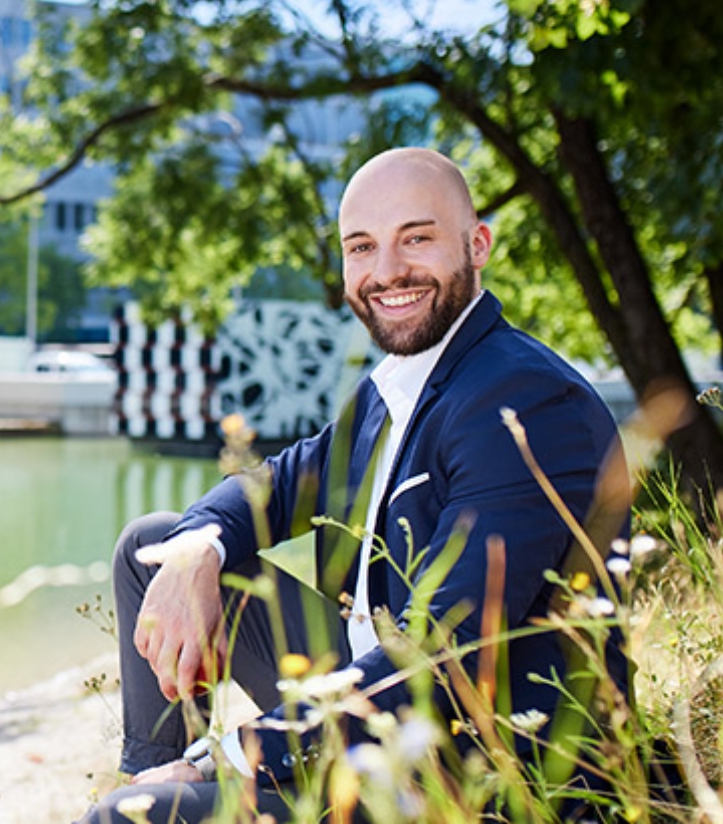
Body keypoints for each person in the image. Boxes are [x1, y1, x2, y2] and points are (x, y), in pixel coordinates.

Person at [79, 148, 631, 823]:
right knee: (157, 550)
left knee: (129, 820)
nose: (387, 271)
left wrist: (217, 756)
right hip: (372, 691)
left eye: (417, 238)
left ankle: (150, 793)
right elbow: (277, 483)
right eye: (362, 247)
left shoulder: (523, 402)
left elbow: (437, 663)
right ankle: (141, 773)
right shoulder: (395, 387)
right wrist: (200, 547)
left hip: (474, 773)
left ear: (477, 244)